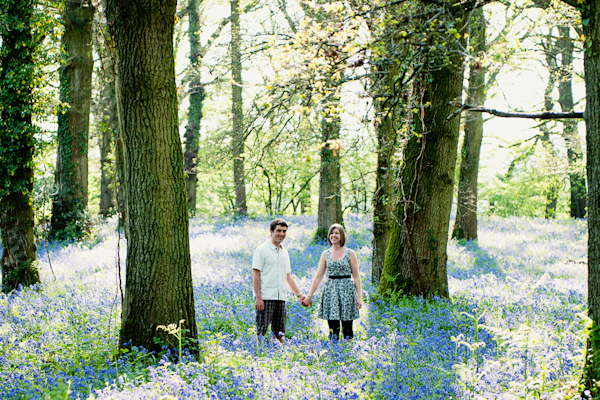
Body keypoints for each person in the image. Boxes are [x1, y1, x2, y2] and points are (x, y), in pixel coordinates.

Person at [302, 223, 362, 340]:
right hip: (331, 290)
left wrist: (359, 297)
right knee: (333, 327)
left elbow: (356, 276)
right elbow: (318, 276)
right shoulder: (325, 254)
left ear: (341, 236)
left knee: (347, 326)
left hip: (347, 290)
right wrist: (309, 295)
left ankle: (348, 351)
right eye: (331, 233)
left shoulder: (350, 253)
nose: (333, 235)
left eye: (336, 233)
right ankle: (334, 351)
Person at [252, 218, 305, 343]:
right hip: (266, 297)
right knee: (261, 331)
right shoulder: (261, 250)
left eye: (284, 231)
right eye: (279, 231)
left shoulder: (284, 253)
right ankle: (257, 357)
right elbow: (255, 275)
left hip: (281, 297)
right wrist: (258, 297)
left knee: (280, 333)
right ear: (271, 231)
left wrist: (299, 295)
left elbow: (288, 277)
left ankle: (279, 357)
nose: (282, 234)